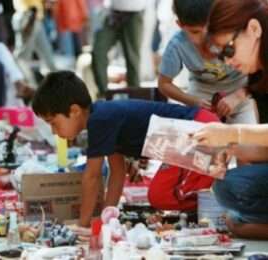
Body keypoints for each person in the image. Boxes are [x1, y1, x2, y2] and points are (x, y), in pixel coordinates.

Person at [32, 71, 220, 228]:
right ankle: (213, 204)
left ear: (74, 111)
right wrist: (106, 218)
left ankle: (220, 205)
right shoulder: (104, 118)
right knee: (163, 193)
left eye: (53, 123)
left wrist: (83, 225)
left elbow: (92, 176)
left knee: (160, 194)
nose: (53, 131)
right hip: (196, 132)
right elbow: (117, 172)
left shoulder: (100, 120)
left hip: (200, 132)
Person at [192, 0, 268, 239]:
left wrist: (232, 134)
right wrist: (230, 149)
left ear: (254, 29)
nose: (227, 62)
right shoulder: (258, 78)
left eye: (228, 50)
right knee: (228, 186)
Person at [158, 0, 259, 124]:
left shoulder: (235, 36)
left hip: (241, 91)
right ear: (180, 25)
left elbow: (260, 74)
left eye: (210, 29)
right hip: (200, 96)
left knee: (247, 139)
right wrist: (191, 100)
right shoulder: (177, 45)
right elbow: (164, 84)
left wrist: (239, 95)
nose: (205, 37)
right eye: (195, 32)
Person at [91, 0, 145, 95]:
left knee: (132, 58)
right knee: (98, 51)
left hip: (134, 13)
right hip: (111, 12)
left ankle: (135, 97)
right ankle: (104, 94)